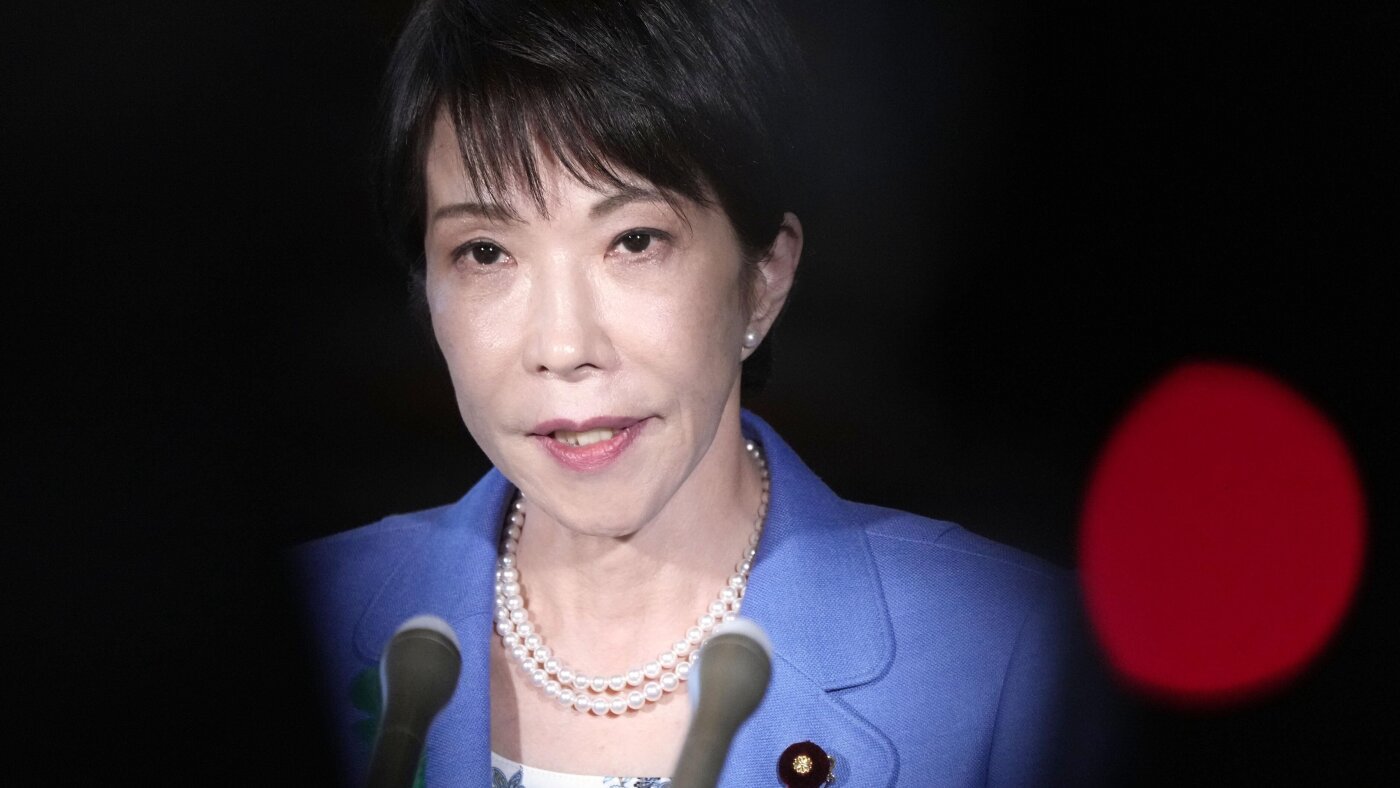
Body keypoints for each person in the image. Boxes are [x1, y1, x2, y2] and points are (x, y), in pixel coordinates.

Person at [294, 0, 1112, 785]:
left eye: (634, 241)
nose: (564, 347)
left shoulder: (1010, 652)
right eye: (484, 253)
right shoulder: (296, 624)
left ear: (764, 278)